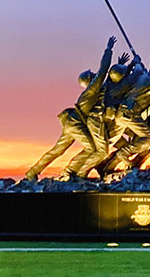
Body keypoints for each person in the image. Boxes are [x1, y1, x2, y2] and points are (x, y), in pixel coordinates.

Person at [24, 36, 117, 180]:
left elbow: (108, 84)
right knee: (92, 149)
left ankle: (32, 172)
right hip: (75, 123)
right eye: (91, 75)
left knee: (57, 150)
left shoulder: (94, 92)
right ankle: (70, 172)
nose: (94, 75)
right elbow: (103, 71)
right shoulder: (92, 90)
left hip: (73, 122)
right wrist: (108, 50)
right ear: (89, 81)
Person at [103, 57, 150, 172]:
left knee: (109, 141)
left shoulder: (140, 76)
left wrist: (137, 62)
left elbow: (137, 67)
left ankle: (104, 164)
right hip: (131, 115)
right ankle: (124, 153)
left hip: (120, 113)